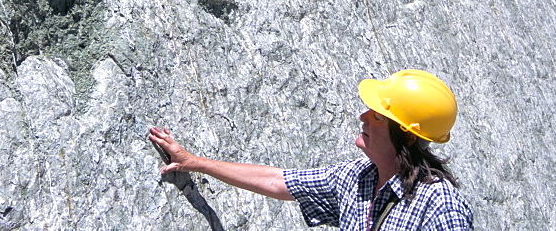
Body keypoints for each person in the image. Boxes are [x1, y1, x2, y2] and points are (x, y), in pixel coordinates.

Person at [148, 69, 472, 230]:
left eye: (375, 115)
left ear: (407, 136)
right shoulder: (356, 178)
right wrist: (195, 162)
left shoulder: (439, 205)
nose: (363, 117)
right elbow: (278, 182)